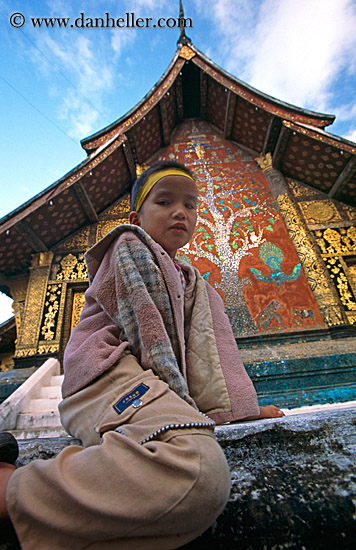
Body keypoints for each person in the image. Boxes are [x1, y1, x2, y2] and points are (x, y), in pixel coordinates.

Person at [0, 160, 284, 549]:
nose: (180, 211)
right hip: (107, 373)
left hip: (146, 381)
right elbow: (149, 332)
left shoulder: (192, 279)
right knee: (194, 467)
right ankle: (11, 489)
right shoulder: (129, 245)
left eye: (190, 204)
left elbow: (211, 351)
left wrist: (240, 410)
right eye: (164, 201)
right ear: (136, 216)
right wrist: (183, 410)